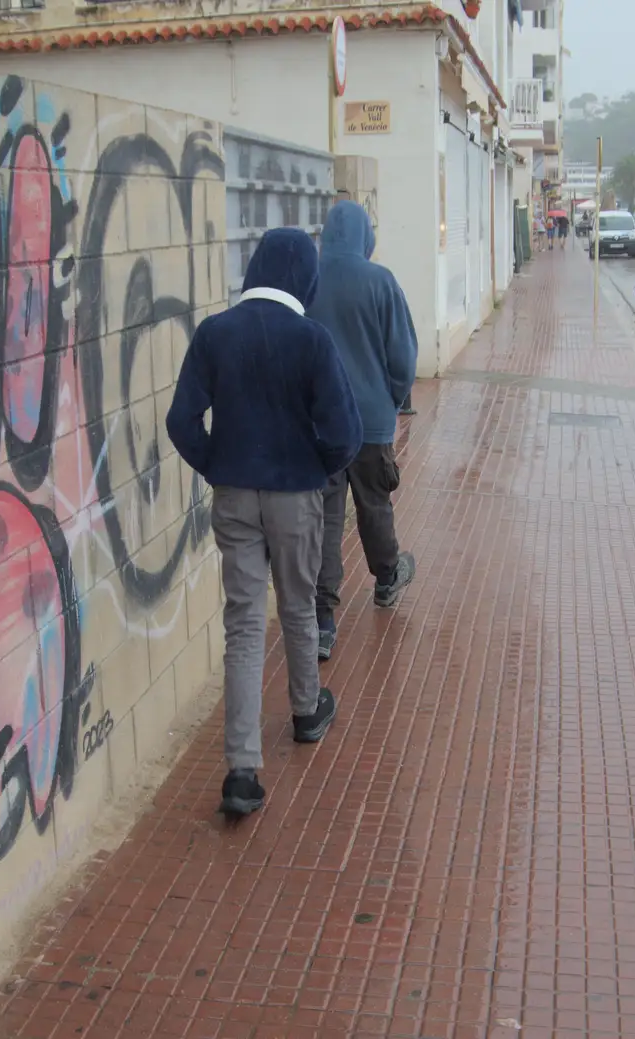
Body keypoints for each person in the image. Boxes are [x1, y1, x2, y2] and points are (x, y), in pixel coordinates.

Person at [166, 227, 363, 820]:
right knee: (299, 606)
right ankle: (306, 711)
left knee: (245, 625)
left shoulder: (214, 334)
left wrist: (218, 467)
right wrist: (315, 469)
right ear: (305, 277)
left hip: (233, 496)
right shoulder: (312, 340)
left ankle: (242, 770)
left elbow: (181, 421)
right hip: (296, 496)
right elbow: (347, 434)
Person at [308, 200, 418, 662]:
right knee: (375, 504)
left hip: (320, 424)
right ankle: (387, 577)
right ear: (365, 236)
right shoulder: (381, 282)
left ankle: (322, 622)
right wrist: (389, 401)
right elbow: (403, 358)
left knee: (326, 520)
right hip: (370, 423)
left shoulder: (306, 280)